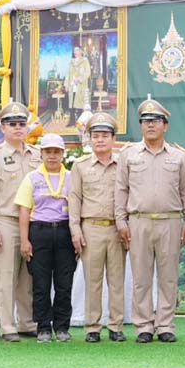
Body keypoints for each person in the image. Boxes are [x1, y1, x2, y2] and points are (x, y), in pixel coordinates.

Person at [114, 99, 185, 343]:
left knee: (168, 277)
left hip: (170, 221)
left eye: (155, 121)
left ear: (165, 126)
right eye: (145, 121)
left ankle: (166, 325)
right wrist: (120, 220)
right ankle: (144, 326)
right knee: (141, 277)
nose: (150, 125)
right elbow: (121, 189)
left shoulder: (178, 157)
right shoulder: (129, 155)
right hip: (139, 222)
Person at [0, 102, 41, 343]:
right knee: (5, 276)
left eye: (21, 124)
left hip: (34, 223)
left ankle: (27, 322)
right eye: (12, 124)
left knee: (29, 276)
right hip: (6, 221)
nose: (18, 128)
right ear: (3, 129)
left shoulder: (37, 155)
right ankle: (7, 324)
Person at [69, 112, 127, 343]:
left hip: (116, 229)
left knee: (116, 279)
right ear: (89, 139)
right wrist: (75, 230)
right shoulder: (81, 166)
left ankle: (116, 325)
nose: (100, 140)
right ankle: (92, 327)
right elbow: (74, 199)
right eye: (95, 136)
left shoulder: (123, 165)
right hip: (90, 227)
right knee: (92, 280)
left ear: (113, 139)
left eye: (105, 135)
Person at [16, 133, 75, 343]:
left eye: (56, 152)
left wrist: (76, 236)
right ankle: (42, 327)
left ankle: (62, 327)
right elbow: (24, 210)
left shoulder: (71, 177)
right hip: (39, 231)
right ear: (41, 154)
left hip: (65, 231)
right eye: (48, 152)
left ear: (62, 154)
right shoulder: (31, 178)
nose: (52, 156)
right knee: (40, 283)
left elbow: (77, 208)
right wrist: (25, 240)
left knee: (64, 282)